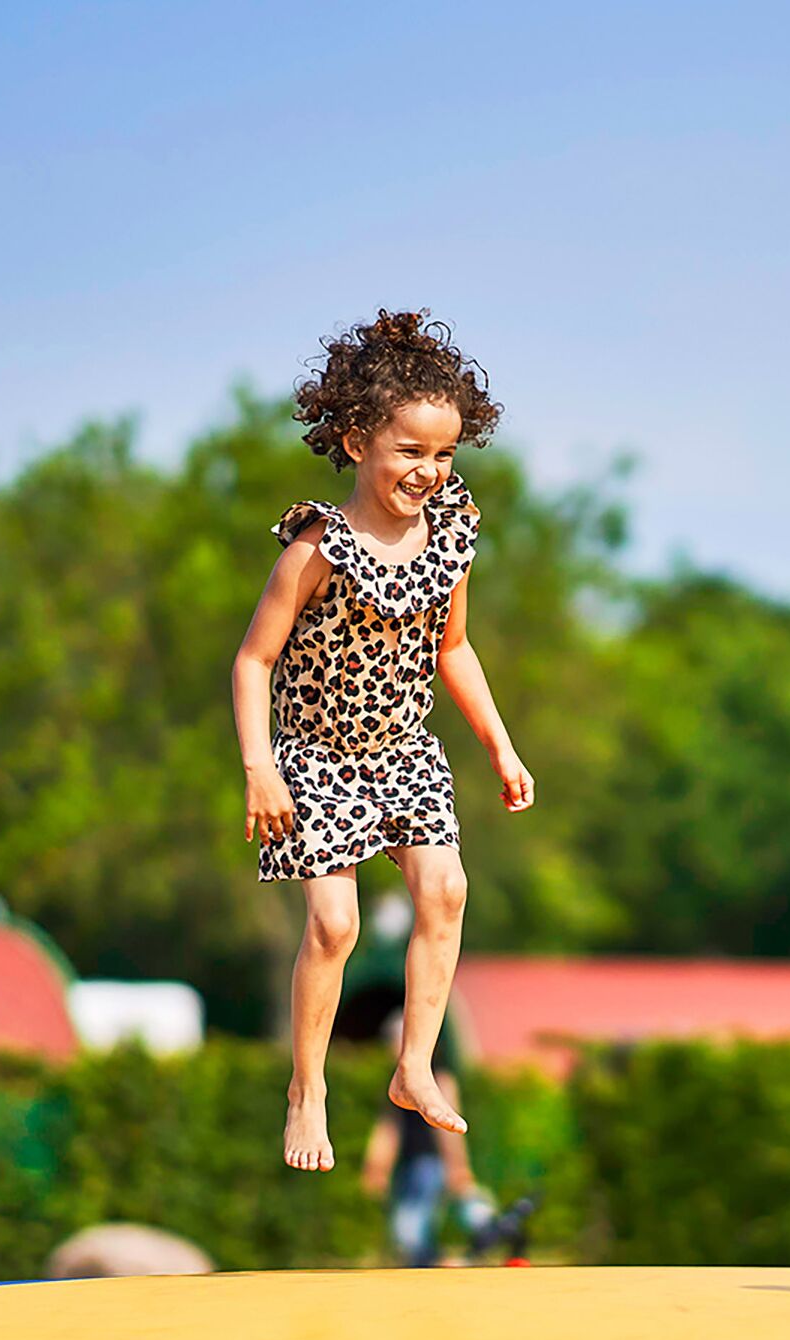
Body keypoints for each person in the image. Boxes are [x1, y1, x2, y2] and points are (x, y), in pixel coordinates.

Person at [231, 311, 536, 1172]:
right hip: (316, 757)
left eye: (444, 456)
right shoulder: (317, 548)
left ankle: (414, 1067)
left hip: (403, 751)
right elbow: (253, 663)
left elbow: (455, 650)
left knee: (446, 891)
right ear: (361, 439)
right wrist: (261, 768)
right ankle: (308, 1090)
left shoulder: (451, 538)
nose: (429, 472)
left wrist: (500, 748)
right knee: (334, 924)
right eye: (410, 452)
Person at [360, 1033, 479, 1267]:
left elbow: (448, 1128)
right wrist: (377, 1167)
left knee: (410, 1229)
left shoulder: (440, 1080)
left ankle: (436, 1266)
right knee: (412, 1230)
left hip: (430, 1163)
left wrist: (458, 1166)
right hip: (410, 1164)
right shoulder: (397, 1083)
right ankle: (435, 1264)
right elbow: (390, 1128)